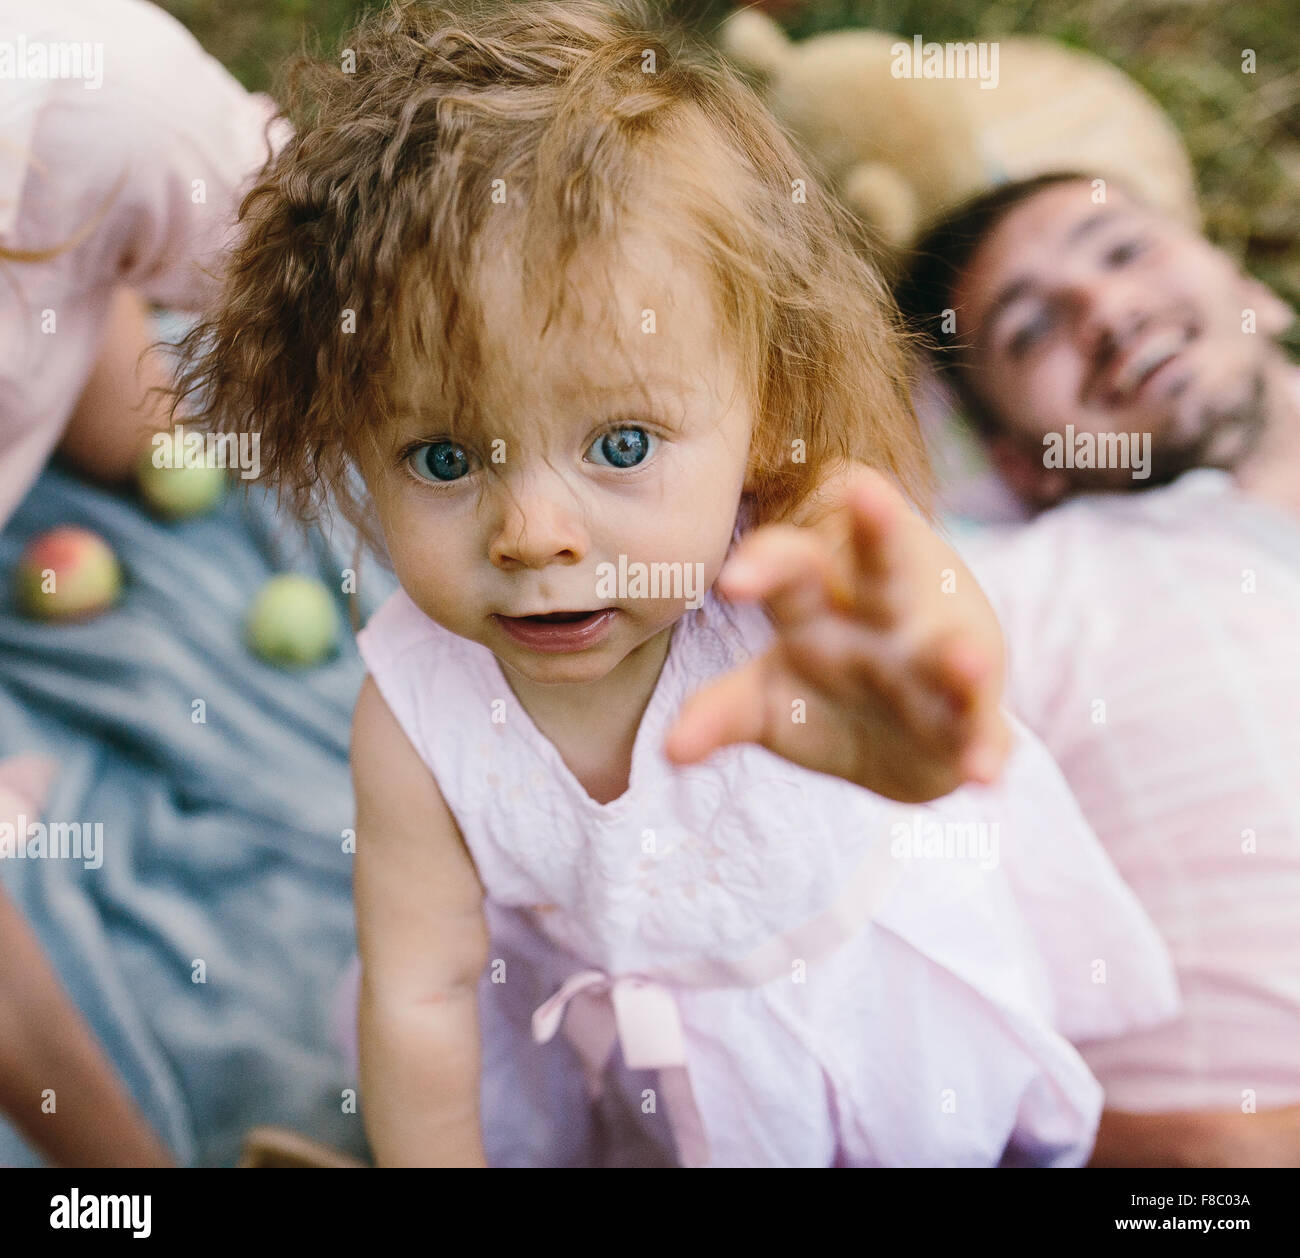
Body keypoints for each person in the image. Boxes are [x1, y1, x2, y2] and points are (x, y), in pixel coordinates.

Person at [175, 0, 1177, 1167]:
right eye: (443, 458)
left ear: (765, 403)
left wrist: (923, 700)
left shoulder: (797, 545)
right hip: (646, 1077)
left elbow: (935, 649)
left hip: (873, 1016)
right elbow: (421, 996)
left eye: (621, 444)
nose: (534, 534)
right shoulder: (412, 719)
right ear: (349, 440)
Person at [896, 172, 1300, 1166]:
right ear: (1019, 458)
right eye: (1029, 331)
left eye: (1122, 250)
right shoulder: (1006, 593)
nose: (1108, 311)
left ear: (1250, 287)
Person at [0, 0, 283, 1164]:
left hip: (59, 218)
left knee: (148, 434)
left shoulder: (103, 100)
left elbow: (363, 260)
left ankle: (71, 291)